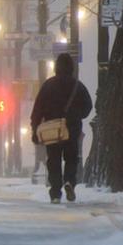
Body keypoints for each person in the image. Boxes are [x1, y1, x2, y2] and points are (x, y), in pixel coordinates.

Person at [30, 53, 93, 203]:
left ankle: (56, 193)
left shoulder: (48, 85)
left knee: (54, 160)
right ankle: (69, 181)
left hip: (52, 129)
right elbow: (88, 106)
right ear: (71, 67)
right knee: (71, 158)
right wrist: (77, 115)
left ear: (56, 67)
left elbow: (37, 110)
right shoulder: (78, 86)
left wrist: (35, 129)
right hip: (72, 128)